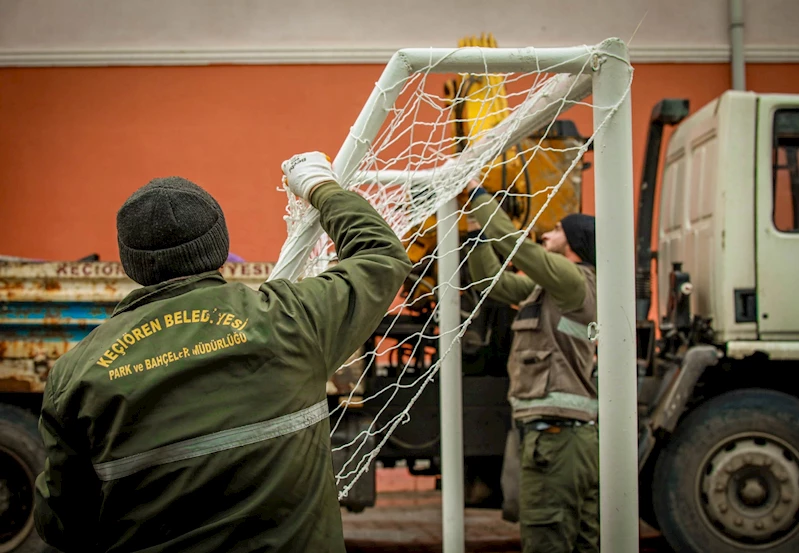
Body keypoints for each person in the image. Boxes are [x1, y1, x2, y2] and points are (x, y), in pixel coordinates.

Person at [33, 152, 412, 553]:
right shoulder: (291, 320)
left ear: (131, 264)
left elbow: (61, 524)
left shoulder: (76, 376)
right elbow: (381, 257)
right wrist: (320, 186)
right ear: (219, 246)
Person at [464, 179, 599, 553]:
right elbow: (492, 284)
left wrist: (479, 198)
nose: (547, 233)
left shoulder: (573, 281)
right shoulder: (550, 289)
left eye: (556, 230)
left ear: (574, 243)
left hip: (556, 440)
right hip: (561, 438)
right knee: (585, 542)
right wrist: (476, 229)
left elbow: (518, 249)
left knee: (546, 539)